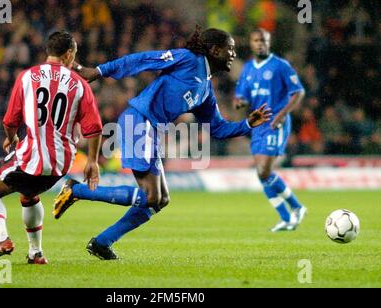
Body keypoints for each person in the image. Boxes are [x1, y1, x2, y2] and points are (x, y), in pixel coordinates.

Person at [53, 26, 272, 260]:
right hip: (139, 121)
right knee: (150, 196)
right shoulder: (189, 59)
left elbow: (217, 127)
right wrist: (98, 71)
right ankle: (76, 190)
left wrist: (247, 125)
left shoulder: (205, 89)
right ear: (215, 50)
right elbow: (143, 59)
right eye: (230, 49)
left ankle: (102, 242)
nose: (233, 54)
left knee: (160, 200)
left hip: (151, 129)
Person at [0, 32, 103, 267]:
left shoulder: (27, 77)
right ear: (69, 54)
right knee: (29, 194)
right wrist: (93, 161)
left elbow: (10, 119)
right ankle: (36, 253)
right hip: (60, 163)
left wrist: (10, 138)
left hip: (31, 156)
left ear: (48, 51)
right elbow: (94, 128)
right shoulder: (80, 84)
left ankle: (1, 239)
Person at [233, 28, 307, 232]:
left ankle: (297, 208)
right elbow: (242, 95)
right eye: (256, 40)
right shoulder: (247, 68)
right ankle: (289, 214)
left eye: (264, 40)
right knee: (261, 174)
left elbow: (298, 93)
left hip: (276, 122)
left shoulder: (280, 66)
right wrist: (240, 101)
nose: (260, 43)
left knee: (264, 170)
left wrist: (282, 115)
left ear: (269, 42)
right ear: (251, 43)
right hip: (258, 124)